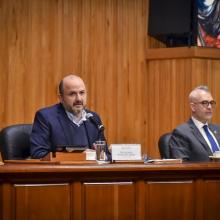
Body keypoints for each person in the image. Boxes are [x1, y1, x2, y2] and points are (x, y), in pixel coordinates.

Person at [30, 74, 106, 159]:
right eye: (72, 94)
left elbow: (104, 155)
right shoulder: (45, 117)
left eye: (82, 93)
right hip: (60, 171)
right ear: (61, 98)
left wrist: (105, 154)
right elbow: (38, 153)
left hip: (90, 171)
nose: (79, 99)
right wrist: (79, 156)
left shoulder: (93, 118)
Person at [169, 85, 220, 162]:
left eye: (211, 103)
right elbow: (182, 166)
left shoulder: (218, 129)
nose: (209, 107)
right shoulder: (181, 133)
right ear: (193, 107)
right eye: (205, 103)